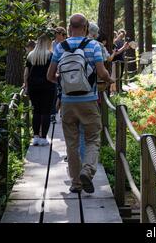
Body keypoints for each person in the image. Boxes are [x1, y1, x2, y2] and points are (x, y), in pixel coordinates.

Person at [47, 14, 115, 194]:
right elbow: (101, 72)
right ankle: (87, 170)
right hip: (89, 101)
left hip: (67, 103)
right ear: (85, 28)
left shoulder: (60, 47)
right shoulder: (93, 45)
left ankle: (76, 183)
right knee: (93, 139)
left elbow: (50, 75)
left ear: (69, 28)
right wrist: (110, 79)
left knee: (71, 143)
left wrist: (65, 84)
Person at [24, 34, 56, 146]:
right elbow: (53, 72)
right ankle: (43, 138)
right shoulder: (50, 55)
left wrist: (27, 86)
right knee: (46, 112)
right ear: (48, 43)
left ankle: (36, 137)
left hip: (33, 87)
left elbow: (26, 73)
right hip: (48, 86)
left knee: (36, 111)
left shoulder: (30, 55)